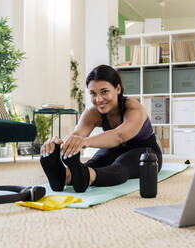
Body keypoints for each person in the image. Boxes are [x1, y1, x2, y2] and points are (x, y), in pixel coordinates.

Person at [40, 64, 163, 192]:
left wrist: (85, 142)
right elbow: (77, 134)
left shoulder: (133, 108)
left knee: (120, 167)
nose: (98, 99)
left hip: (146, 153)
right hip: (114, 149)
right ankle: (64, 177)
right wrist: (57, 144)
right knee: (90, 164)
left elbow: (118, 135)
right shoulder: (92, 113)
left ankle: (89, 177)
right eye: (93, 93)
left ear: (118, 89)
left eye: (104, 92)